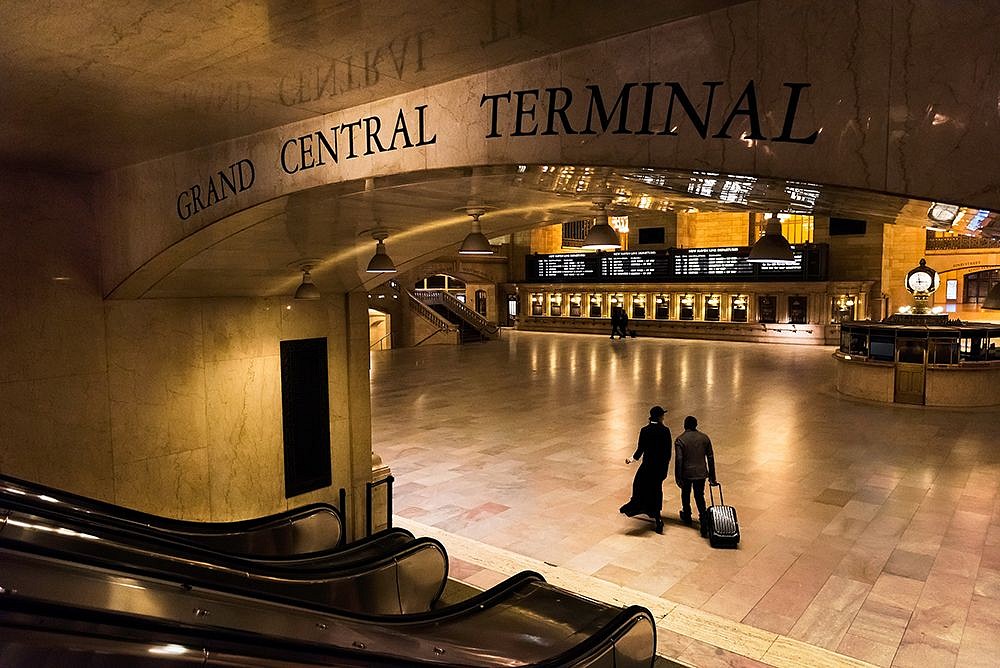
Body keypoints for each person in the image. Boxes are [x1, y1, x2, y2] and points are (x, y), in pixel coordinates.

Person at [619, 406, 671, 533]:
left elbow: (640, 449)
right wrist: (664, 469)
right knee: (656, 491)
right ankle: (657, 517)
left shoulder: (645, 430)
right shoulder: (665, 431)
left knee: (639, 485)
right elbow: (667, 453)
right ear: (660, 417)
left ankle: (637, 506)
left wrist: (631, 459)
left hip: (647, 466)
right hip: (659, 468)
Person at [674, 415, 717, 536]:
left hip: (687, 473)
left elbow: (679, 459)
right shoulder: (704, 438)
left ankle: (687, 514)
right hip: (701, 473)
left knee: (685, 494)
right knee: (699, 496)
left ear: (684, 426)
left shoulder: (680, 440)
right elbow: (710, 457)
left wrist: (678, 476)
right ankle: (703, 520)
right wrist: (712, 476)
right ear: (696, 425)